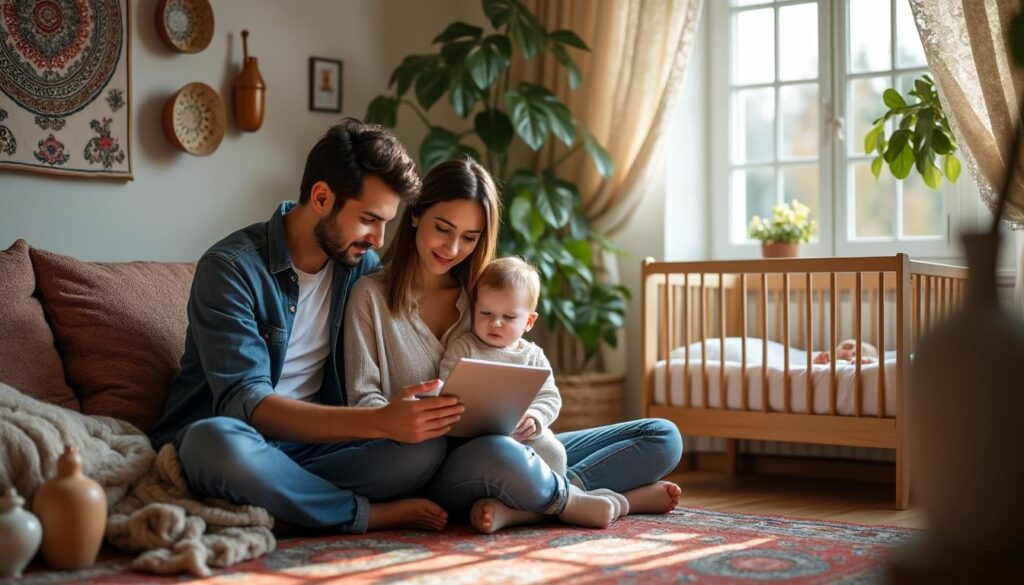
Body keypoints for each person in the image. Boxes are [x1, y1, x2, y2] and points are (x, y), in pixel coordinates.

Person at [148, 119, 465, 534]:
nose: (379, 239)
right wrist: (380, 422)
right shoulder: (230, 269)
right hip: (238, 440)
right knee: (215, 445)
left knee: (421, 452)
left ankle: (283, 505)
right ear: (321, 197)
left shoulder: (359, 268)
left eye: (386, 221)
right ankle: (359, 513)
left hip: (314, 451)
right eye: (370, 219)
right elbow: (248, 403)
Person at [345, 158, 684, 534]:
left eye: (470, 237)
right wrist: (408, 416)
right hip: (434, 464)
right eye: (442, 228)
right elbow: (363, 403)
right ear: (414, 217)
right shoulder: (370, 298)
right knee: (500, 452)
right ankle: (596, 499)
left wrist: (531, 420)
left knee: (662, 436)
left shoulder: (484, 299)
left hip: (513, 448)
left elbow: (534, 386)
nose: (453, 247)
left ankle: (531, 505)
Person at [813, 339, 879, 365]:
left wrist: (866, 360)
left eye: (854, 354)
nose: (853, 351)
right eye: (847, 347)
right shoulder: (825, 355)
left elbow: (875, 363)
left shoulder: (849, 362)